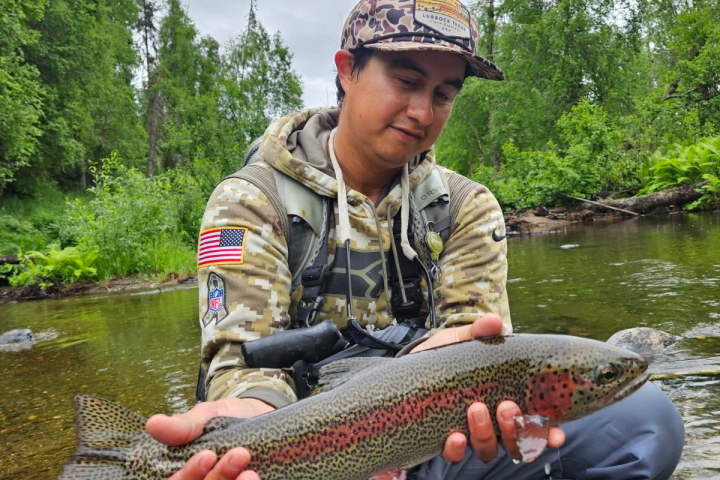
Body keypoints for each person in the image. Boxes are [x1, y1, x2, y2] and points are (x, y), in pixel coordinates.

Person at [145, 1, 685, 479]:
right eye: (405, 81)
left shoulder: (466, 207)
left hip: (431, 439)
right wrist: (254, 427)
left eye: (443, 94)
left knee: (646, 421)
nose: (423, 112)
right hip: (301, 445)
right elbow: (239, 363)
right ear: (347, 70)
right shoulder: (249, 199)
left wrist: (516, 431)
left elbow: (483, 357)